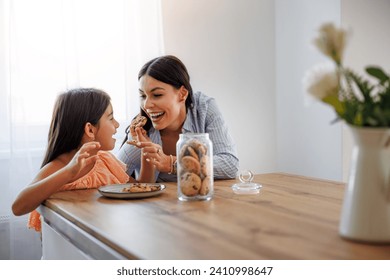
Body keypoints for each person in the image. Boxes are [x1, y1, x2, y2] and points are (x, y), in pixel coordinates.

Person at [12, 88, 137, 232]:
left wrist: (146, 155)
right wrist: (69, 172)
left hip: (106, 234)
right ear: (90, 130)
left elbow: (139, 189)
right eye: (110, 118)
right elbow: (18, 207)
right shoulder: (58, 167)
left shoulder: (106, 161)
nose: (117, 124)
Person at [117, 55, 239, 182]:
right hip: (162, 202)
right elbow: (113, 175)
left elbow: (229, 165)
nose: (146, 105)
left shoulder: (204, 109)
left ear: (182, 94)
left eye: (157, 95)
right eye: (143, 95)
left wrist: (172, 164)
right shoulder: (142, 131)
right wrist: (144, 154)